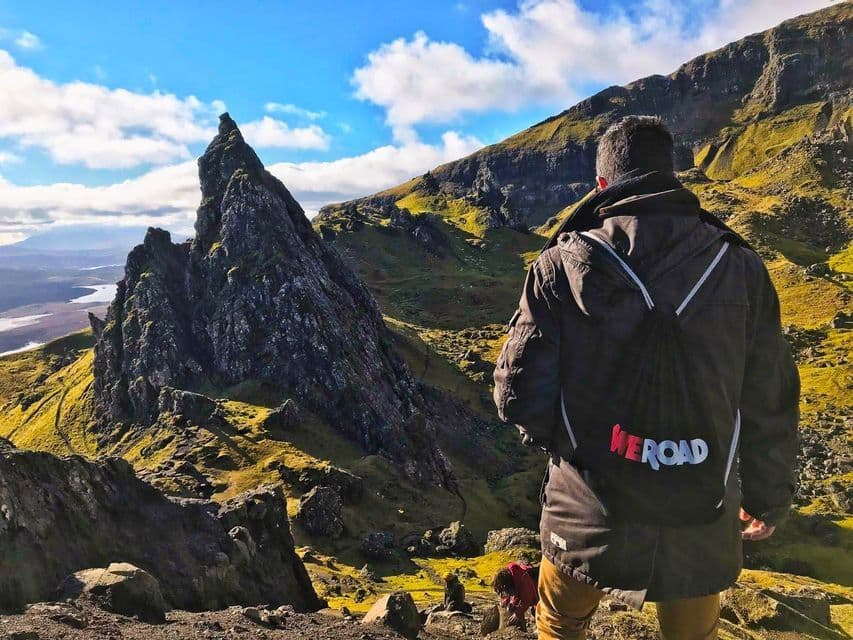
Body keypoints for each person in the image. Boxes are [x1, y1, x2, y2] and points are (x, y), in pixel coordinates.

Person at [493, 116, 799, 640]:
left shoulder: (561, 265)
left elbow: (516, 392)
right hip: (702, 511)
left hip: (588, 509)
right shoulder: (741, 266)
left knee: (560, 625)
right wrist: (769, 496)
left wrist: (572, 451)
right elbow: (769, 396)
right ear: (672, 175)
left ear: (602, 185)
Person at [492, 562, 539, 629]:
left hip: (539, 593)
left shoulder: (523, 581)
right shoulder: (511, 579)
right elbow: (511, 594)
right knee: (513, 606)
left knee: (540, 614)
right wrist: (506, 602)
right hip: (532, 592)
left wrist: (517, 614)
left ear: (507, 586)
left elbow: (526, 600)